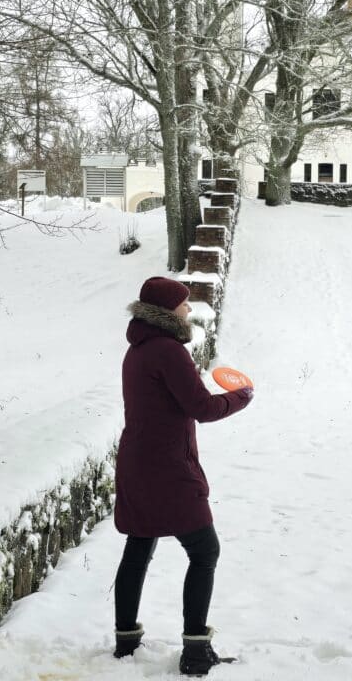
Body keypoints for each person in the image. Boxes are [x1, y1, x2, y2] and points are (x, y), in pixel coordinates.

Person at [113, 276, 253, 675]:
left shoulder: (138, 350)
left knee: (138, 548)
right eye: (184, 303)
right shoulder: (168, 351)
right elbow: (204, 408)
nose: (189, 310)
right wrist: (240, 397)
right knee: (205, 552)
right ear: (167, 311)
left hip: (138, 464)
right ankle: (195, 650)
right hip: (169, 469)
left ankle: (126, 642)